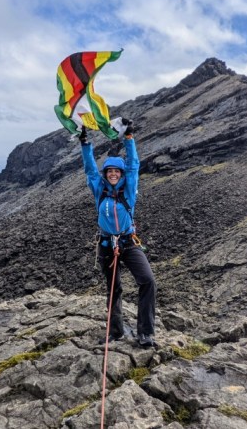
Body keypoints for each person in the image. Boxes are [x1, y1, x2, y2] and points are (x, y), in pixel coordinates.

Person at [79, 120, 157, 348]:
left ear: (121, 173)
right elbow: (89, 169)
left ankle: (146, 333)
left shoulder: (129, 187)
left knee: (148, 281)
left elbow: (134, 165)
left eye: (116, 171)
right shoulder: (99, 188)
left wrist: (129, 138)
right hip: (106, 244)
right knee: (114, 288)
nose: (113, 174)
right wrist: (85, 143)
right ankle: (115, 333)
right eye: (109, 171)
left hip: (128, 243)